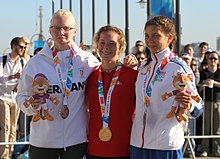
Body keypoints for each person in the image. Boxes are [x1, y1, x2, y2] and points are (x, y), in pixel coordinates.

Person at [16, 9, 137, 159]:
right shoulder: (35, 63)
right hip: (43, 142)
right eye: (57, 28)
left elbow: (110, 69)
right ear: (50, 30)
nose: (61, 32)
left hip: (76, 141)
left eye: (66, 28)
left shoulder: (87, 61)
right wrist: (30, 106)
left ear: (75, 31)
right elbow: (21, 96)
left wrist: (130, 64)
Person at [130, 16, 203, 159]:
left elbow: (198, 107)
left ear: (169, 38)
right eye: (147, 35)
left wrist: (189, 106)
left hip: (164, 144)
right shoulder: (144, 66)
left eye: (156, 36)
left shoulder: (178, 68)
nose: (150, 40)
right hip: (138, 143)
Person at [86, 25, 138, 159]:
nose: (106, 48)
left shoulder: (133, 75)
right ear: (96, 46)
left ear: (121, 49)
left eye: (112, 44)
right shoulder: (90, 76)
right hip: (94, 148)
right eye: (102, 43)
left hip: (123, 149)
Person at [0, 37, 27, 159]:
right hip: (3, 97)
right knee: (5, 127)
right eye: (21, 46)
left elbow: (26, 78)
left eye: (24, 47)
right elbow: (1, 78)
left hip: (15, 98)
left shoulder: (23, 62)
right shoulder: (3, 60)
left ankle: (10, 154)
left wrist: (19, 83)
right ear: (14, 46)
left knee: (12, 128)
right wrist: (13, 77)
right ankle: (4, 155)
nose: (23, 49)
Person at [198, 51, 220, 157]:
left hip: (217, 102)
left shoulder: (219, 72)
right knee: (205, 128)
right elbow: (199, 88)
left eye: (215, 59)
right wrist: (204, 83)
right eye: (211, 58)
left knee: (217, 128)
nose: (213, 61)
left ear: (218, 61)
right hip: (206, 102)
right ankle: (204, 149)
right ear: (207, 60)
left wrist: (215, 83)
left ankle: (216, 149)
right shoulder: (203, 72)